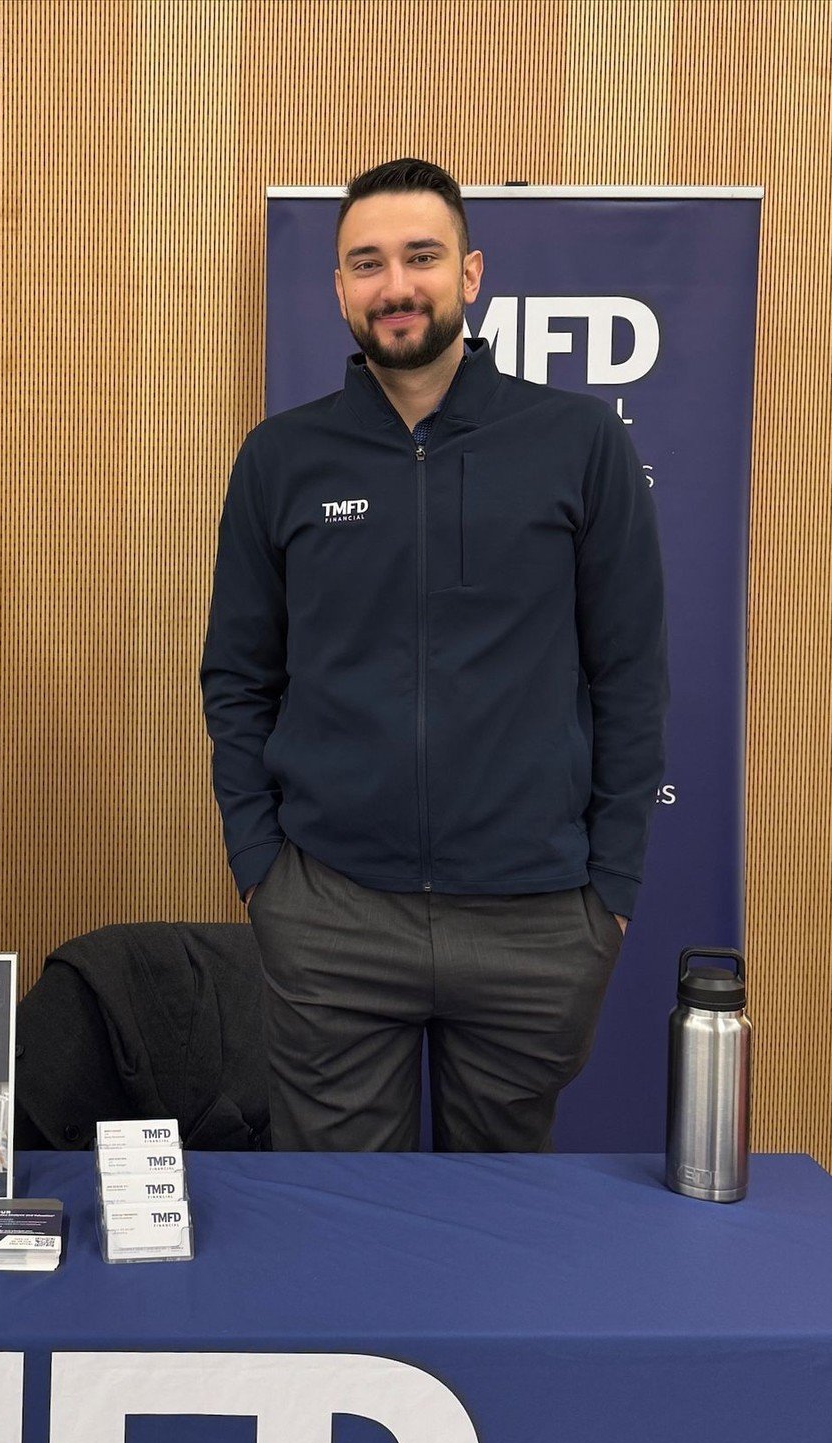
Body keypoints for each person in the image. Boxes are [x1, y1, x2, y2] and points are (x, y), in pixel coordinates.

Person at [202, 158, 667, 1153]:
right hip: (330, 909)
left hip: (534, 920)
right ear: (336, 289)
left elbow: (628, 675)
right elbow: (237, 678)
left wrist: (609, 894)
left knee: (495, 1235)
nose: (394, 285)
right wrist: (262, 871)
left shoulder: (577, 442)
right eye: (364, 263)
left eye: (420, 256)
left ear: (469, 273)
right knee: (340, 1225)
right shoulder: (279, 460)